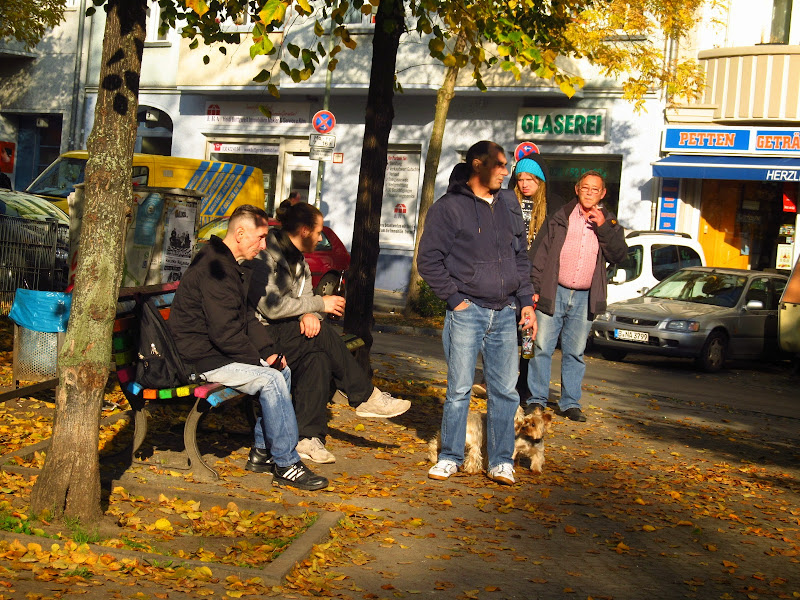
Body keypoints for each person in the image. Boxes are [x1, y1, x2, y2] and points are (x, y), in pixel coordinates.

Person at [168, 204, 328, 491]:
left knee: (283, 369)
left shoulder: (232, 266)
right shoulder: (213, 268)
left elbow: (245, 316)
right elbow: (225, 333)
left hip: (215, 352)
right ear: (240, 234)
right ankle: (287, 463)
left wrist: (268, 352)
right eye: (261, 237)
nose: (264, 244)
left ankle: (262, 451)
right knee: (271, 377)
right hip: (198, 359)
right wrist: (260, 362)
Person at [247, 202, 411, 464]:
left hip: (286, 332)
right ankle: (365, 395)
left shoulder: (299, 260)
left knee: (318, 357)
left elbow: (307, 298)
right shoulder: (266, 256)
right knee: (321, 336)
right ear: (303, 231)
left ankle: (307, 438)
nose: (320, 237)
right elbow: (271, 308)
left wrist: (310, 314)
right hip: (261, 337)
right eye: (318, 231)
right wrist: (318, 307)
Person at [417, 140, 537, 486]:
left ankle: (501, 461)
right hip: (466, 311)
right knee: (459, 389)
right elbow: (429, 259)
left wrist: (525, 301)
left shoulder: (509, 204)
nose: (506, 170)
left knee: (505, 392)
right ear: (477, 165)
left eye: (507, 164)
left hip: (505, 312)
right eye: (500, 164)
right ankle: (450, 457)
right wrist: (454, 299)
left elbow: (520, 256)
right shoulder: (449, 208)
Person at [524, 170, 627, 423]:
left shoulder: (610, 223)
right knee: (541, 347)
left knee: (575, 352)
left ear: (602, 194)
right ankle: (536, 399)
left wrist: (602, 227)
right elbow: (541, 256)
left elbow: (620, 256)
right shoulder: (559, 217)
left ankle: (570, 403)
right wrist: (534, 289)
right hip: (553, 290)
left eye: (595, 190)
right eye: (585, 188)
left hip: (585, 297)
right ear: (577, 189)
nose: (590, 193)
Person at [509, 154, 566, 401]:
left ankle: (524, 385)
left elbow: (553, 252)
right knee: (507, 338)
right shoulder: (508, 202)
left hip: (535, 285)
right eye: (520, 179)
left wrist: (538, 286)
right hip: (508, 282)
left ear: (540, 181)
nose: (524, 184)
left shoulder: (554, 207)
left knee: (528, 339)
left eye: (530, 179)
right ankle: (504, 381)